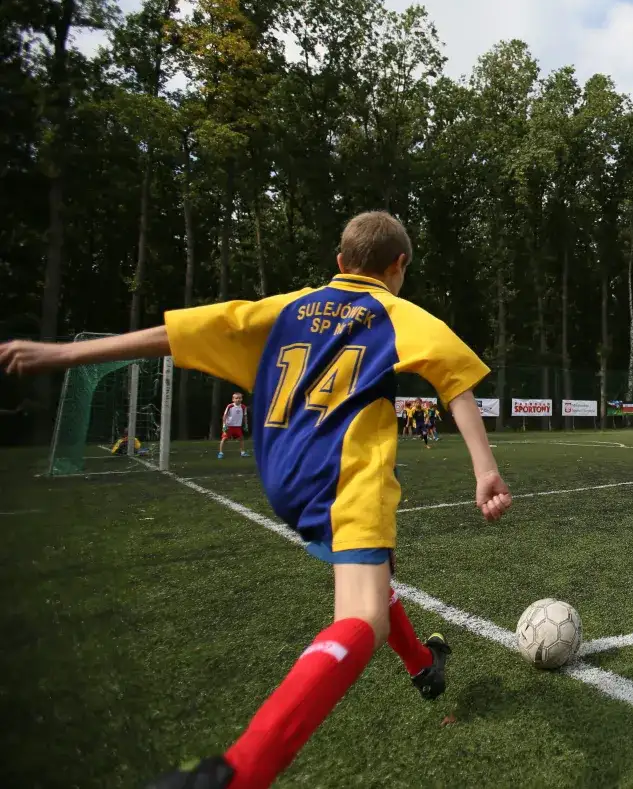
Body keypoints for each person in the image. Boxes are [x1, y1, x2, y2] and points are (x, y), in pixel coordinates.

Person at [0, 211, 513, 788]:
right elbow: (455, 381)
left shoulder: (287, 308)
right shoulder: (396, 311)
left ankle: (423, 665)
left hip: (282, 473)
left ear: (340, 263)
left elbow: (175, 335)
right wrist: (485, 469)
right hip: (347, 475)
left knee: (374, 572)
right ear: (399, 268)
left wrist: (59, 355)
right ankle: (241, 771)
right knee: (361, 615)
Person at [219, 392, 249, 459]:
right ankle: (221, 453)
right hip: (229, 426)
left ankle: (242, 452)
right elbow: (225, 416)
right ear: (233, 399)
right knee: (224, 439)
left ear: (242, 399)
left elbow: (245, 416)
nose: (238, 399)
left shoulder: (243, 407)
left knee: (241, 439)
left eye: (240, 398)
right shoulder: (230, 406)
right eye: (236, 398)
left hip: (238, 426)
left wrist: (246, 425)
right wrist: (224, 425)